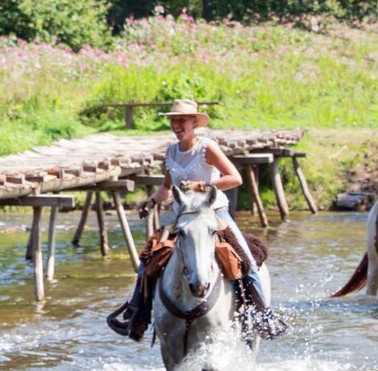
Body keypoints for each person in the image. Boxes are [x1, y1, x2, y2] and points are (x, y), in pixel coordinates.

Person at [108, 98, 274, 337]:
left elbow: (234, 178)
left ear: (194, 122)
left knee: (246, 262)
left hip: (214, 214)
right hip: (183, 218)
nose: (176, 125)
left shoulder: (207, 147)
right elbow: (167, 187)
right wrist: (153, 200)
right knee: (147, 261)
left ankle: (262, 316)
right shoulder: (171, 151)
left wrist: (202, 185)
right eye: (173, 120)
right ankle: (137, 316)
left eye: (181, 120)